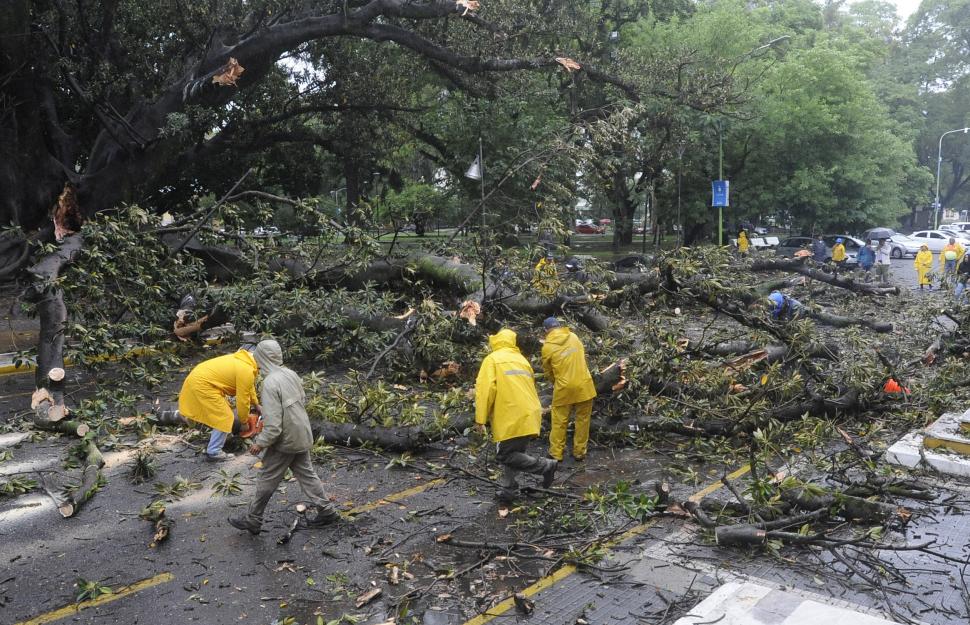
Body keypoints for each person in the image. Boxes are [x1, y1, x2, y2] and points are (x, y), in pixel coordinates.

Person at [228, 340, 340, 534]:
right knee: (307, 475)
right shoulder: (291, 374)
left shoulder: (270, 383)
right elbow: (301, 400)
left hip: (285, 441)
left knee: (266, 478)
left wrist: (260, 443)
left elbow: (273, 426)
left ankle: (253, 520)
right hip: (302, 433)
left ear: (261, 358)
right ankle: (327, 511)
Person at [475, 328, 557, 503]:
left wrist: (480, 419)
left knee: (505, 455)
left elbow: (485, 391)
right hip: (530, 412)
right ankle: (509, 490)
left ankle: (546, 466)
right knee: (515, 452)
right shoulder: (522, 360)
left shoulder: (492, 360)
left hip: (511, 414)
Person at [178, 346, 260, 461]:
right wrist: (244, 421)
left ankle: (216, 434)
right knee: (224, 416)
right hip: (203, 385)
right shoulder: (246, 370)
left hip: (199, 379)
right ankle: (214, 451)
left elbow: (248, 386)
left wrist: (256, 404)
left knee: (220, 411)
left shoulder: (245, 362)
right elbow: (242, 400)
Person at [540, 318, 596, 463]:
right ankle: (579, 452)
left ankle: (556, 454)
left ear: (546, 331)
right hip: (585, 385)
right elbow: (581, 359)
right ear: (559, 326)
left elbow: (548, 372)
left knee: (559, 421)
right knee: (583, 420)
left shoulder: (547, 347)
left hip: (564, 388)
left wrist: (557, 382)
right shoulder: (574, 337)